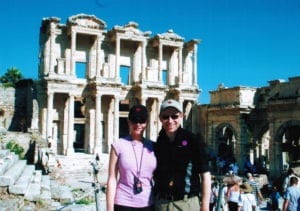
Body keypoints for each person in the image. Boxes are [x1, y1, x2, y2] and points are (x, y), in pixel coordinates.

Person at [153, 99, 211, 211]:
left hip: (186, 204)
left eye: (174, 116)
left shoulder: (193, 140)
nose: (170, 120)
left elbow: (205, 175)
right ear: (160, 118)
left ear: (181, 116)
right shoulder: (159, 142)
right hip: (162, 203)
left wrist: (205, 206)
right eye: (166, 117)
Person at [106, 104, 157, 211]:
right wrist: (109, 209)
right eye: (134, 120)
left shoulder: (154, 146)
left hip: (148, 203)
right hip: (123, 202)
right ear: (129, 122)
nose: (138, 124)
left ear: (146, 123)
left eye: (142, 120)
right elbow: (112, 178)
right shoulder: (118, 145)